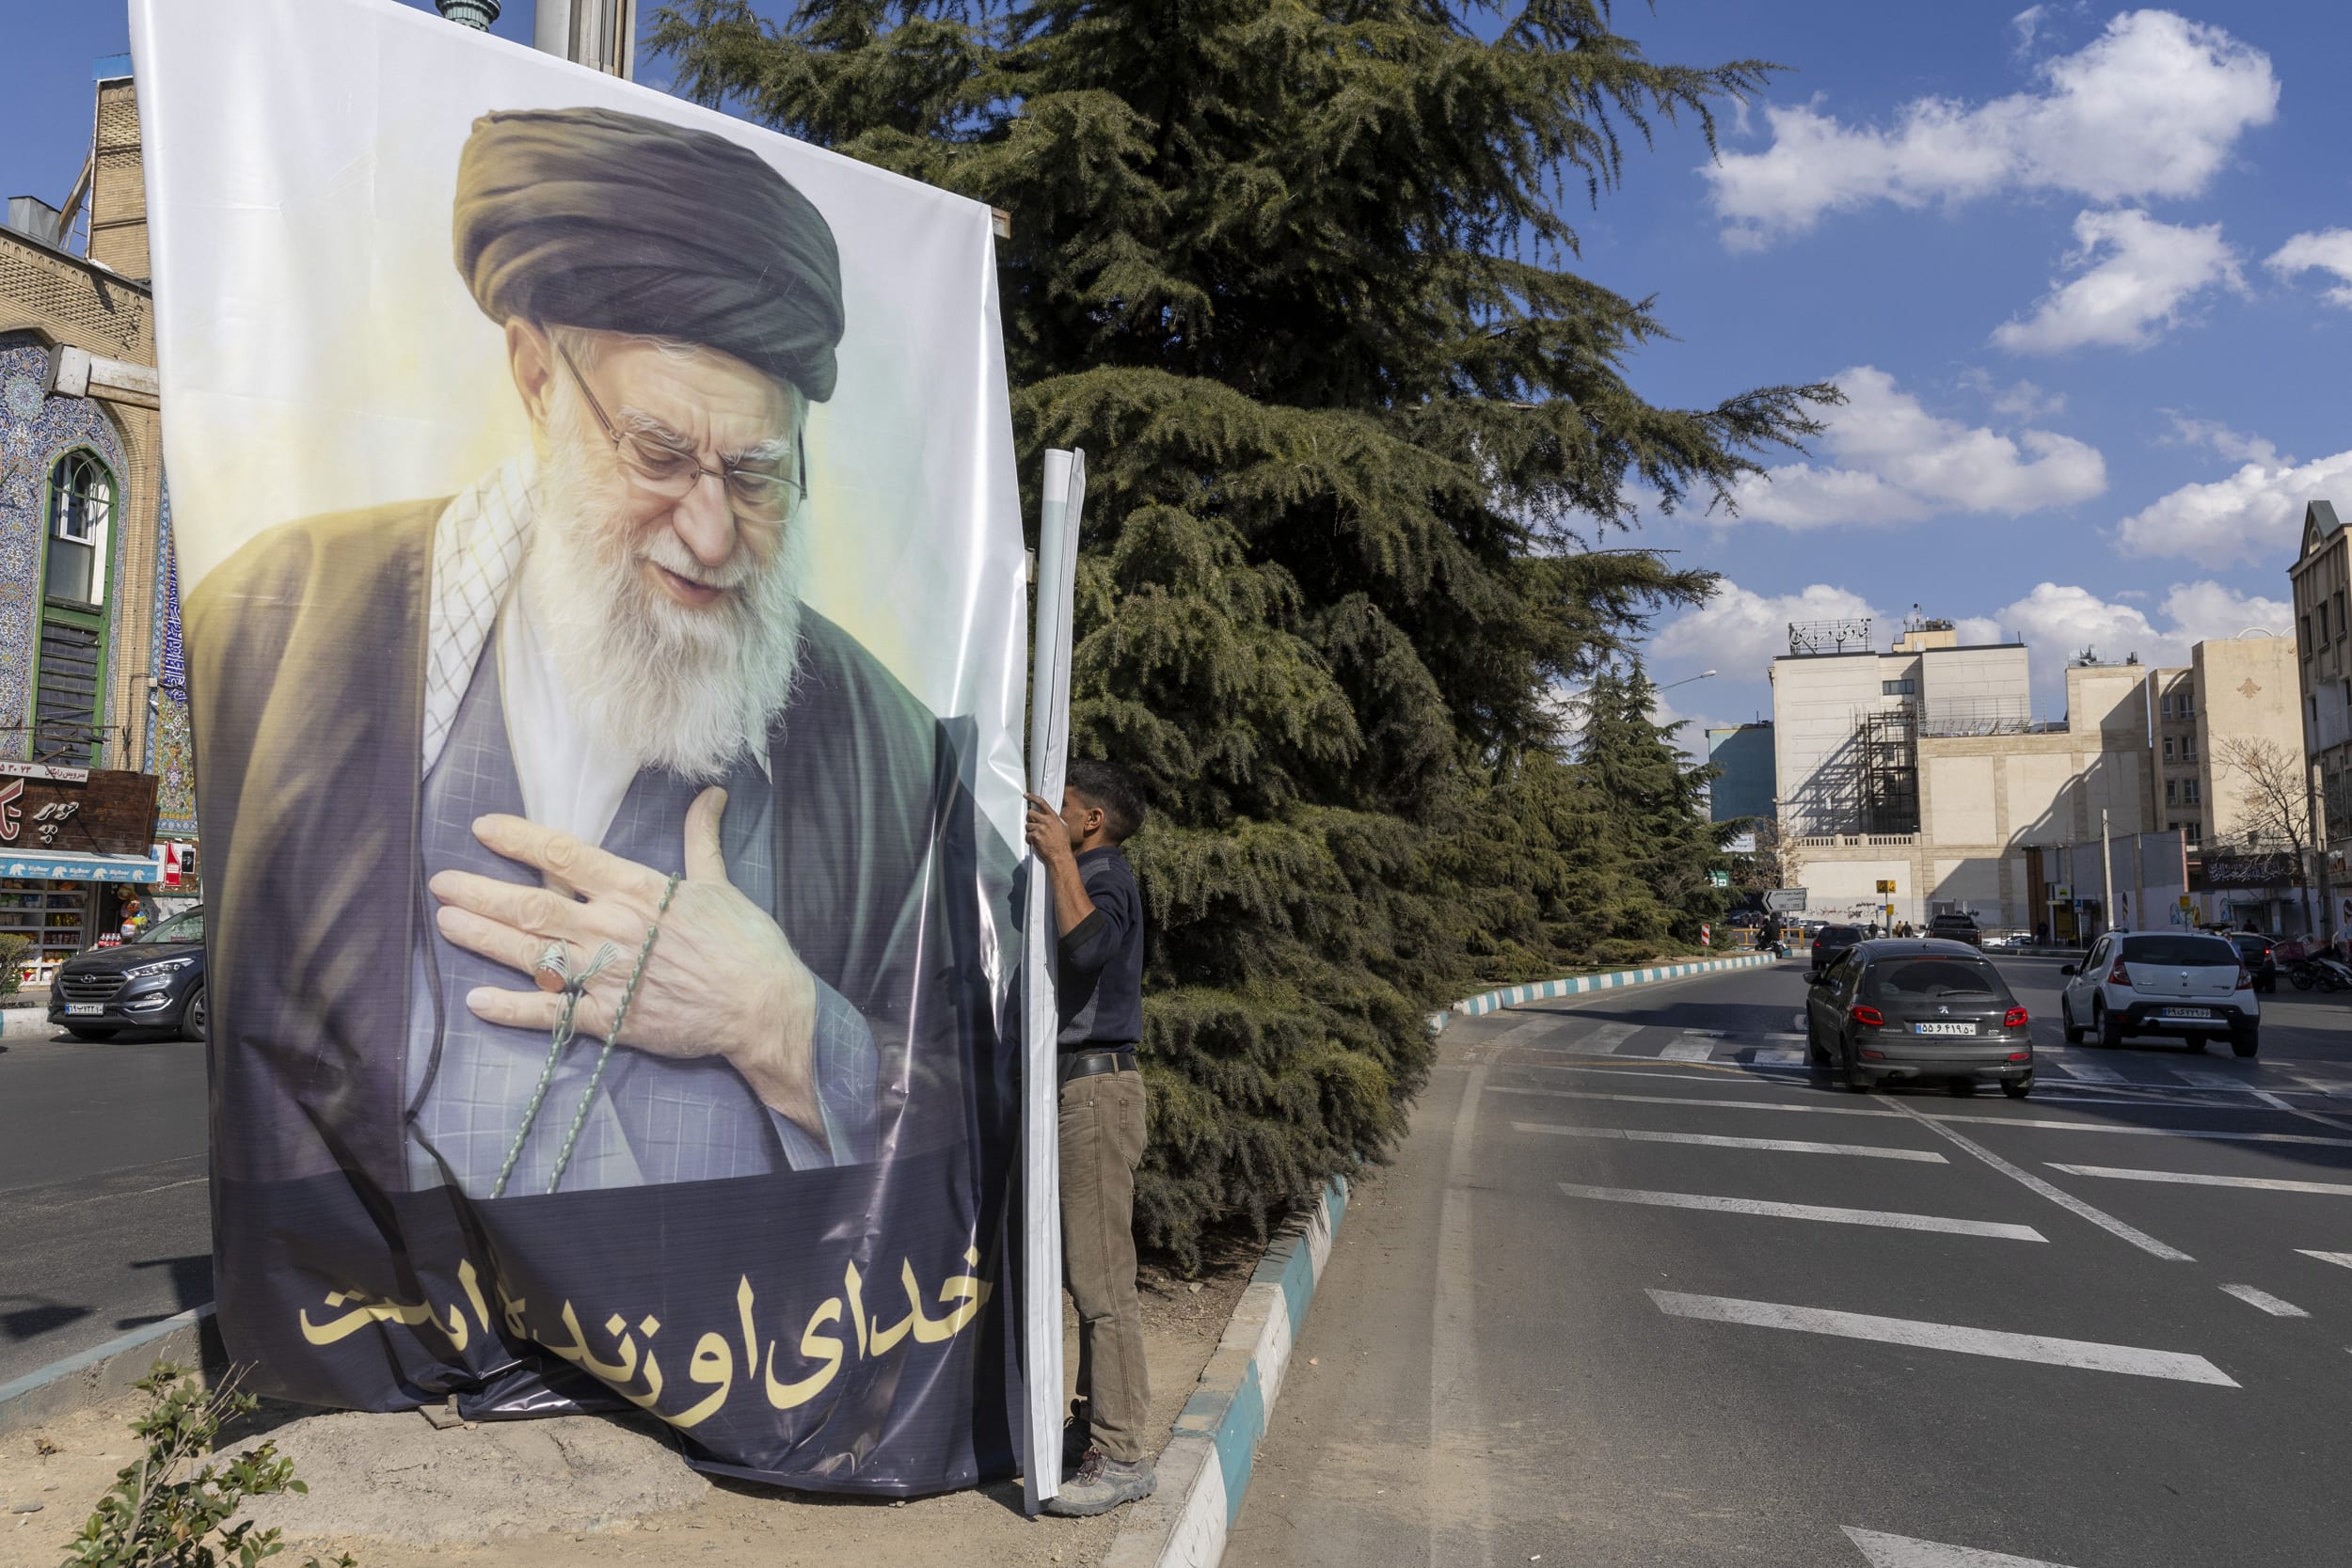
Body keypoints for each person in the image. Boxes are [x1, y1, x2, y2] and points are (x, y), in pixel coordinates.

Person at [185, 104, 1001, 1199]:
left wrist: (790, 1026)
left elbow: (1008, 1062)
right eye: (659, 452)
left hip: (739, 1312)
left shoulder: (886, 750)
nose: (709, 533)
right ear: (535, 376)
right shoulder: (282, 622)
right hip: (383, 1307)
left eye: (756, 473)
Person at [1025, 759, 1154, 1517]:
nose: (1049, 814)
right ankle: (1091, 1428)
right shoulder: (1089, 871)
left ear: (1092, 819)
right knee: (1085, 1275)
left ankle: (1124, 1452)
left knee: (1104, 1282)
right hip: (1077, 1089)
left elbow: (1087, 949)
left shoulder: (1105, 876)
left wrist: (1058, 860)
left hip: (1098, 1092)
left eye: (1063, 805)